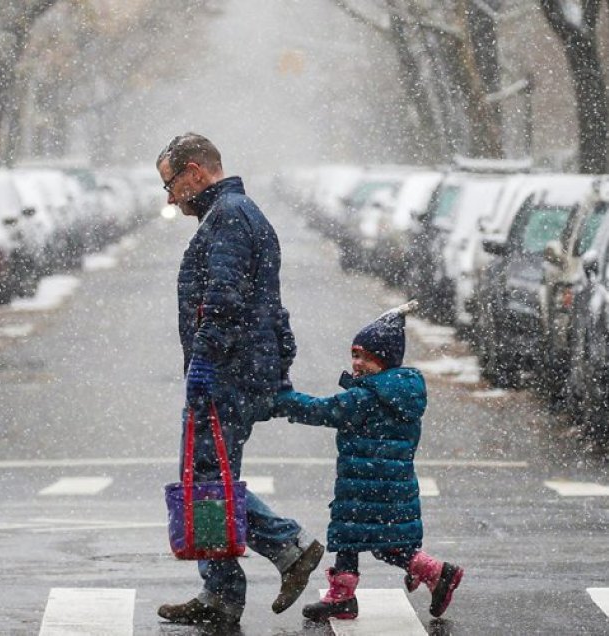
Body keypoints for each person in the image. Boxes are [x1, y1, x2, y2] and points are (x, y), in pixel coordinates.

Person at [156, 133, 324, 627]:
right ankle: (220, 590)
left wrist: (204, 364)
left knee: (209, 480)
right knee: (208, 475)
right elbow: (271, 303)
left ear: (194, 172)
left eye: (171, 185)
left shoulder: (229, 217)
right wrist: (279, 365)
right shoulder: (240, 213)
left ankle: (287, 546)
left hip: (228, 373)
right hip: (243, 369)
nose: (170, 197)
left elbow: (225, 300)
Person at [271, 301, 464, 622]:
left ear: (384, 362)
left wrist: (283, 401)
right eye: (355, 355)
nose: (357, 363)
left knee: (374, 542)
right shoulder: (399, 393)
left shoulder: (368, 397)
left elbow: (324, 410)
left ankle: (435, 572)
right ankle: (347, 595)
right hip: (386, 482)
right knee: (360, 538)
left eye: (366, 358)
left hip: (368, 485)